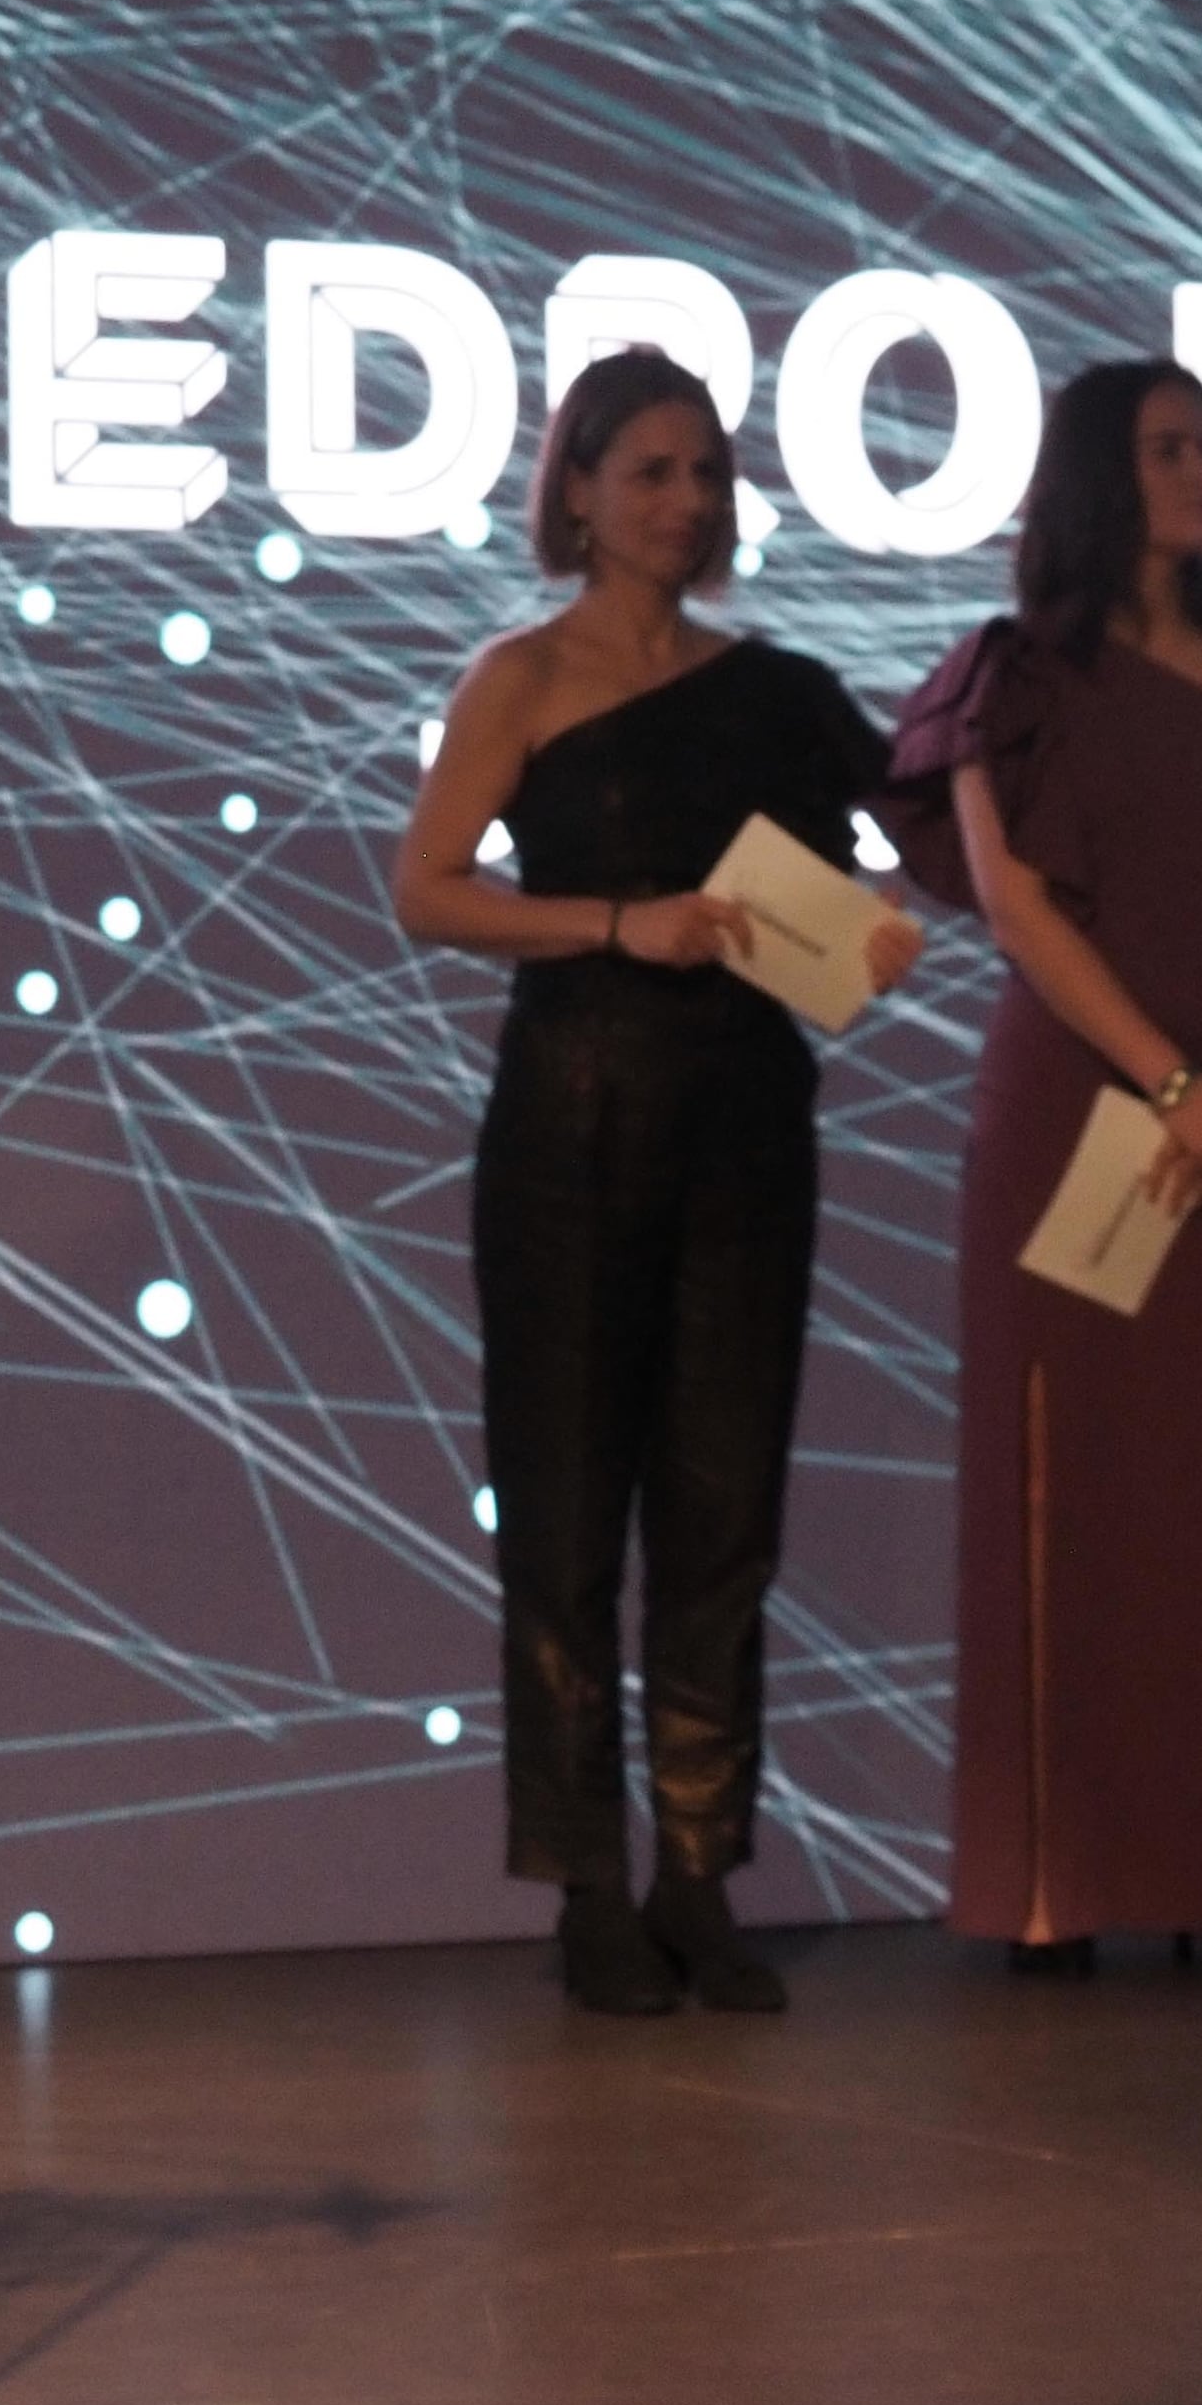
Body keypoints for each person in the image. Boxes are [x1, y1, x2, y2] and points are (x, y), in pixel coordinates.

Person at [391, 349, 918, 2016]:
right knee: (564, 1516)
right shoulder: (522, 675)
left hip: (749, 1123)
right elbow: (428, 886)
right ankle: (584, 1885)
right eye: (648, 475)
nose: (684, 503)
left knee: (722, 1514)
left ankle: (700, 1872)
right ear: (577, 493)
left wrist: (877, 930)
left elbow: (900, 854)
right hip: (569, 1119)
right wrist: (621, 923)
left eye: (704, 473)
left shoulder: (781, 686)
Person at [886, 357, 1202, 1974]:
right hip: (1077, 1099)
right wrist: (1168, 1080)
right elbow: (1012, 910)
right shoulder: (1010, 674)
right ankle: (1053, 1882)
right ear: (1095, 473)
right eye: (1169, 446)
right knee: (1062, 1489)